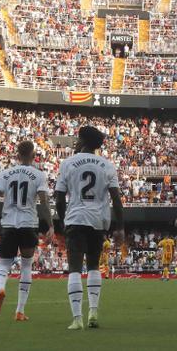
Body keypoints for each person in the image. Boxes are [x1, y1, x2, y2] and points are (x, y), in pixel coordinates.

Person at [55, 126, 125, 330]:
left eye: (77, 139)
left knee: (75, 267)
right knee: (94, 265)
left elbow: (59, 198)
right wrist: (120, 227)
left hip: (76, 219)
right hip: (98, 221)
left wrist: (63, 220)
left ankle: (77, 319)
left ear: (84, 141)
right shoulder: (107, 165)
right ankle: (93, 312)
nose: (75, 143)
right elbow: (117, 200)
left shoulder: (67, 163)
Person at [0, 140, 52, 321]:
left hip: (8, 224)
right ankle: (20, 311)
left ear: (17, 155)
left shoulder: (5, 173)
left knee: (3, 265)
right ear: (33, 156)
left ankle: (0, 289)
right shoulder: (38, 175)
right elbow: (44, 202)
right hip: (28, 224)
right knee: (26, 265)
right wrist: (50, 225)